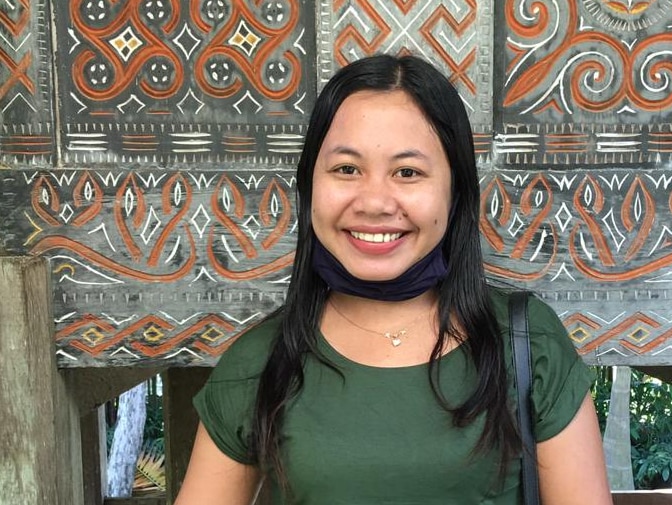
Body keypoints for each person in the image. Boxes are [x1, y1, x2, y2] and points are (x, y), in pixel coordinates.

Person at [174, 54, 612, 505]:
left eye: (408, 172)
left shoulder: (527, 343)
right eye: (347, 169)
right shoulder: (259, 364)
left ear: (455, 190)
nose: (375, 202)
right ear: (309, 187)